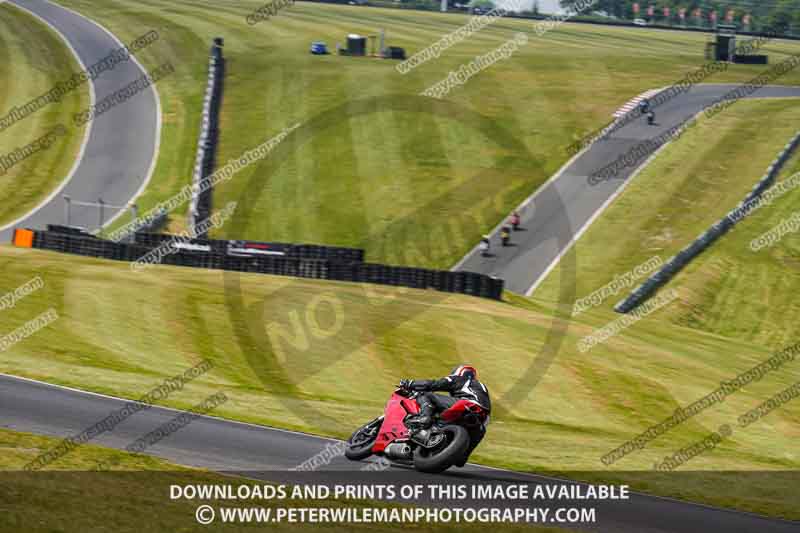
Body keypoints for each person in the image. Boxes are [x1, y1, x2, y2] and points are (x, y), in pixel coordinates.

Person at [399, 365, 491, 429]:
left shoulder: (460, 379)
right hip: (484, 418)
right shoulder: (480, 386)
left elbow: (434, 384)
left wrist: (410, 383)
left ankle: (424, 417)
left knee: (426, 395)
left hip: (468, 404)